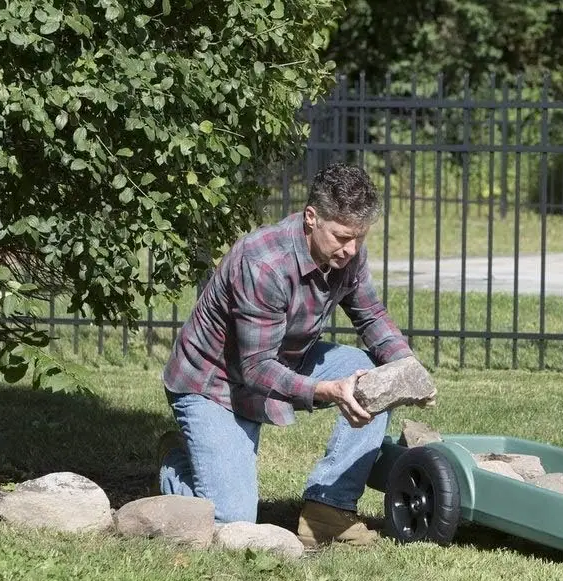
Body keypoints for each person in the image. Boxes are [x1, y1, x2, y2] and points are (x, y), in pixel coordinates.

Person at [159, 162, 426, 549]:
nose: (350, 249)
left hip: (284, 358)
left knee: (374, 376)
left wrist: (407, 368)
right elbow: (255, 368)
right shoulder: (263, 264)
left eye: (359, 238)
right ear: (311, 218)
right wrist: (326, 390)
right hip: (214, 383)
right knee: (232, 521)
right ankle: (176, 464)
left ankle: (329, 509)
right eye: (341, 237)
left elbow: (371, 314)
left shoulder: (348, 254)